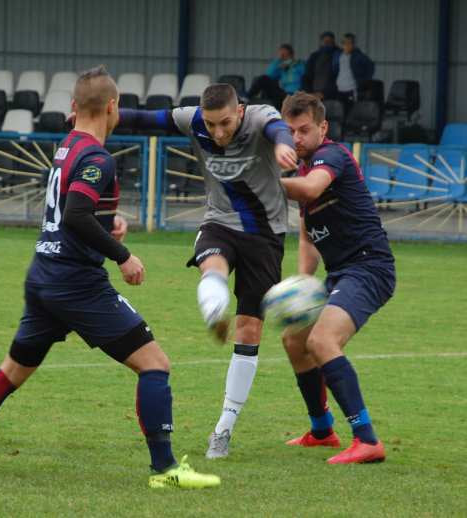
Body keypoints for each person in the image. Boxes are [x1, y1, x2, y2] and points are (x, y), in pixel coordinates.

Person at [0, 66, 220, 490]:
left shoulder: (68, 146)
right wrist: (124, 256)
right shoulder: (98, 157)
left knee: (12, 371)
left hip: (44, 276)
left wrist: (108, 221)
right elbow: (77, 213)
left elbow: (77, 210)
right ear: (113, 107)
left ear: (73, 107)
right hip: (76, 284)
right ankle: (165, 469)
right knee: (155, 365)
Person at [116, 83, 297, 459]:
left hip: (266, 235)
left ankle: (223, 429)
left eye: (225, 123)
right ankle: (214, 308)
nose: (217, 132)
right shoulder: (193, 119)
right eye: (211, 124)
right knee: (211, 265)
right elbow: (149, 118)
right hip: (219, 221)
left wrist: (283, 145)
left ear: (241, 111)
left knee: (249, 330)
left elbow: (278, 129)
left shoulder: (262, 117)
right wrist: (101, 116)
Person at [279, 92, 393, 464]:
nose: (296, 138)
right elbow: (306, 234)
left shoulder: (333, 156)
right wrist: (303, 285)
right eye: (289, 131)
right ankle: (322, 430)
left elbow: (312, 189)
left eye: (304, 130)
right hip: (340, 272)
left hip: (369, 267)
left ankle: (367, 439)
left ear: (322, 128)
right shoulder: (300, 170)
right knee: (295, 338)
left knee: (323, 339)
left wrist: (262, 180)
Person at [247, 44, 305, 108]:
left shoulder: (300, 65)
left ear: (291, 55)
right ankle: (247, 97)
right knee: (263, 79)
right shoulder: (281, 66)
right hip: (283, 93)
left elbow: (306, 78)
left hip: (295, 94)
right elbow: (268, 75)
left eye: (285, 55)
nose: (284, 58)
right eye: (282, 55)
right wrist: (278, 62)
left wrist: (293, 66)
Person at [333, 33, 375, 111]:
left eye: (350, 43)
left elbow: (371, 66)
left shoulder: (359, 56)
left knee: (351, 110)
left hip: (351, 89)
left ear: (353, 44)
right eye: (345, 43)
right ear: (342, 44)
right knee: (339, 110)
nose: (347, 45)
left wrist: (364, 80)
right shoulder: (337, 55)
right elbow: (335, 69)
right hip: (339, 89)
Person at [302, 31, 340, 100]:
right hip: (314, 92)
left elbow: (337, 76)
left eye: (329, 41)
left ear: (333, 42)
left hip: (331, 94)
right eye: (325, 41)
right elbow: (307, 75)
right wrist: (309, 92)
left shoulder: (339, 55)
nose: (327, 43)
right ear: (321, 42)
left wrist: (324, 93)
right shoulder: (314, 56)